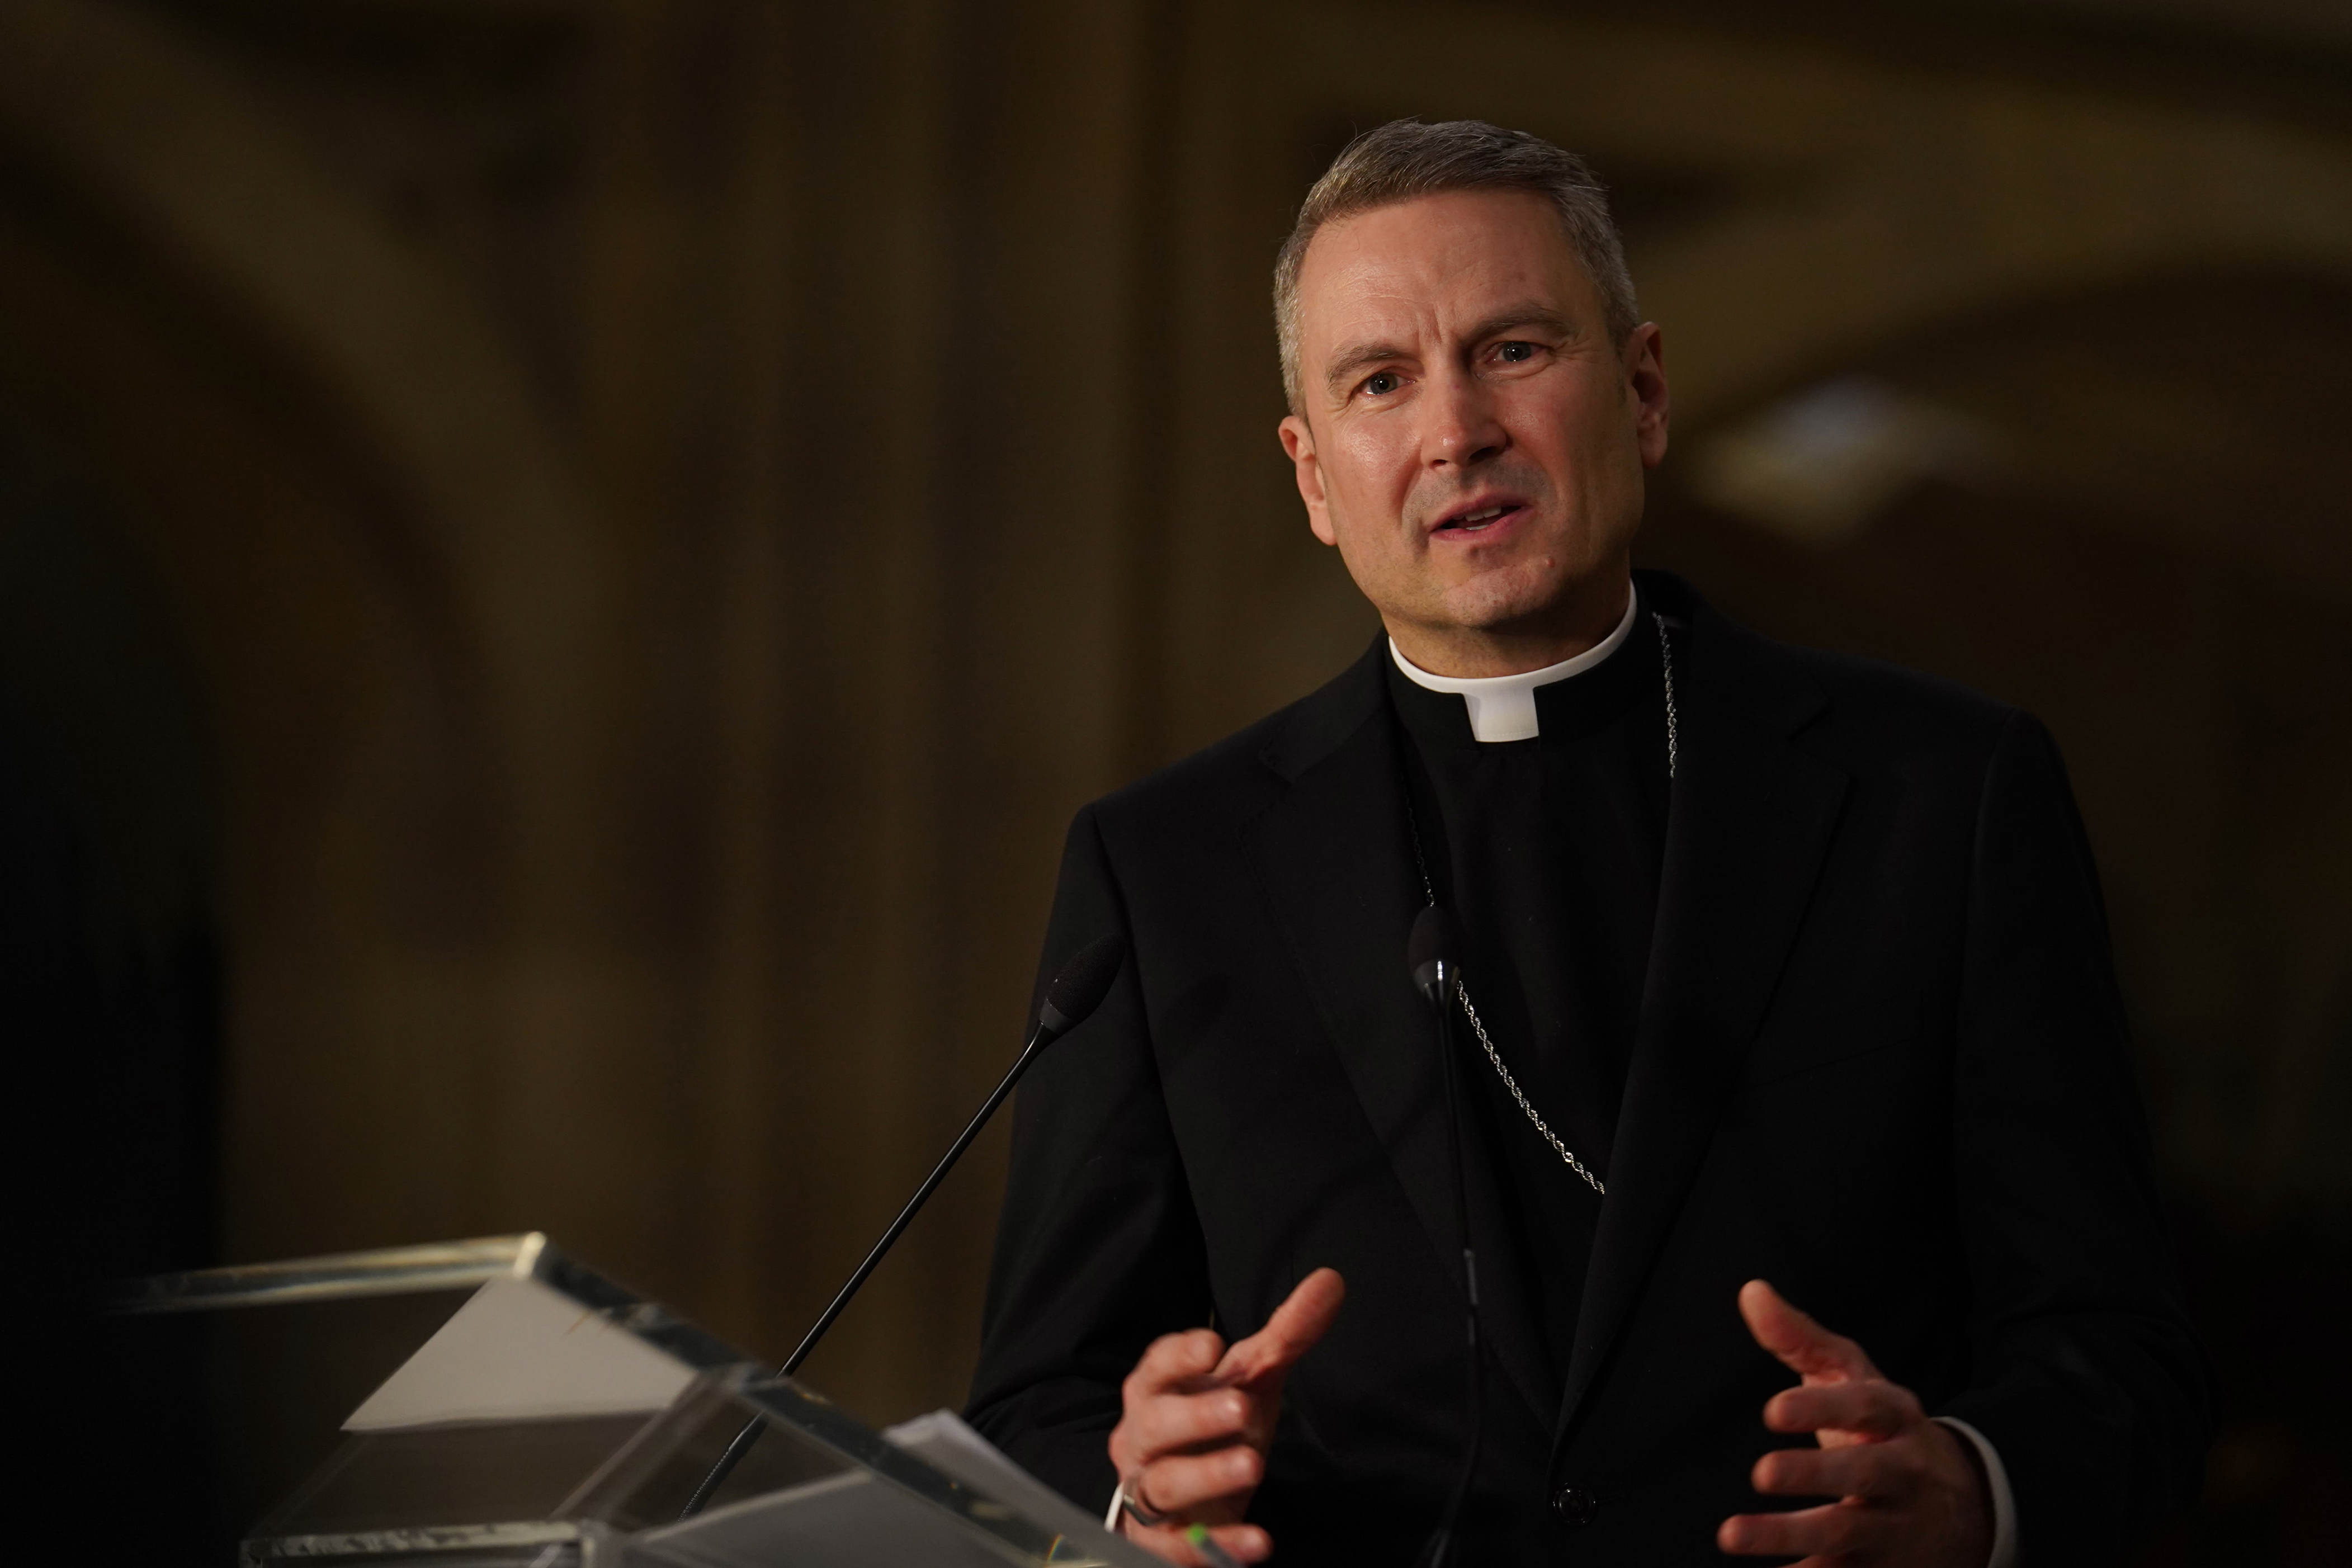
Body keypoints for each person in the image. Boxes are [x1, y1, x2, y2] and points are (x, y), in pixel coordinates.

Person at [965, 119, 2205, 1567]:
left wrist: (1975, 1486)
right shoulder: (1168, 868)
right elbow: (1037, 1403)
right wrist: (1138, 1488)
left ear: (1645, 387)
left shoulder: (1941, 794)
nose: (1456, 431)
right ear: (1314, 476)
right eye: (1381, 382)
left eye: (1514, 351)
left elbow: (2126, 1352)